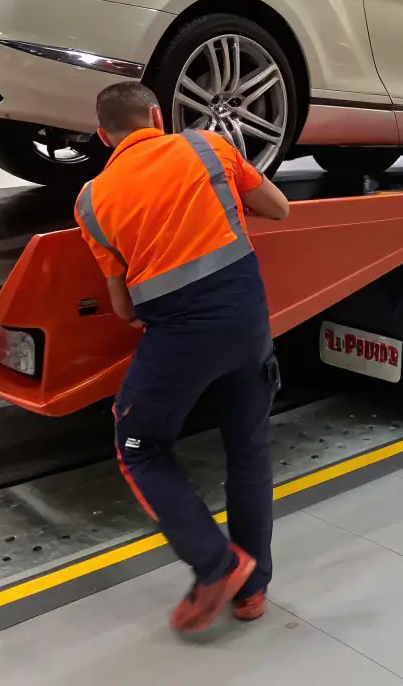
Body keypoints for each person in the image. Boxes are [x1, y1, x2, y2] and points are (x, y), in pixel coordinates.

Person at [76, 82, 290, 633]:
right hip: (246, 325)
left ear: (103, 135)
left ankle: (217, 565)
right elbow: (279, 208)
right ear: (156, 116)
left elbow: (123, 307)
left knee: (139, 447)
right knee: (248, 451)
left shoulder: (91, 202)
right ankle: (252, 592)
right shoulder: (206, 146)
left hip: (179, 338)